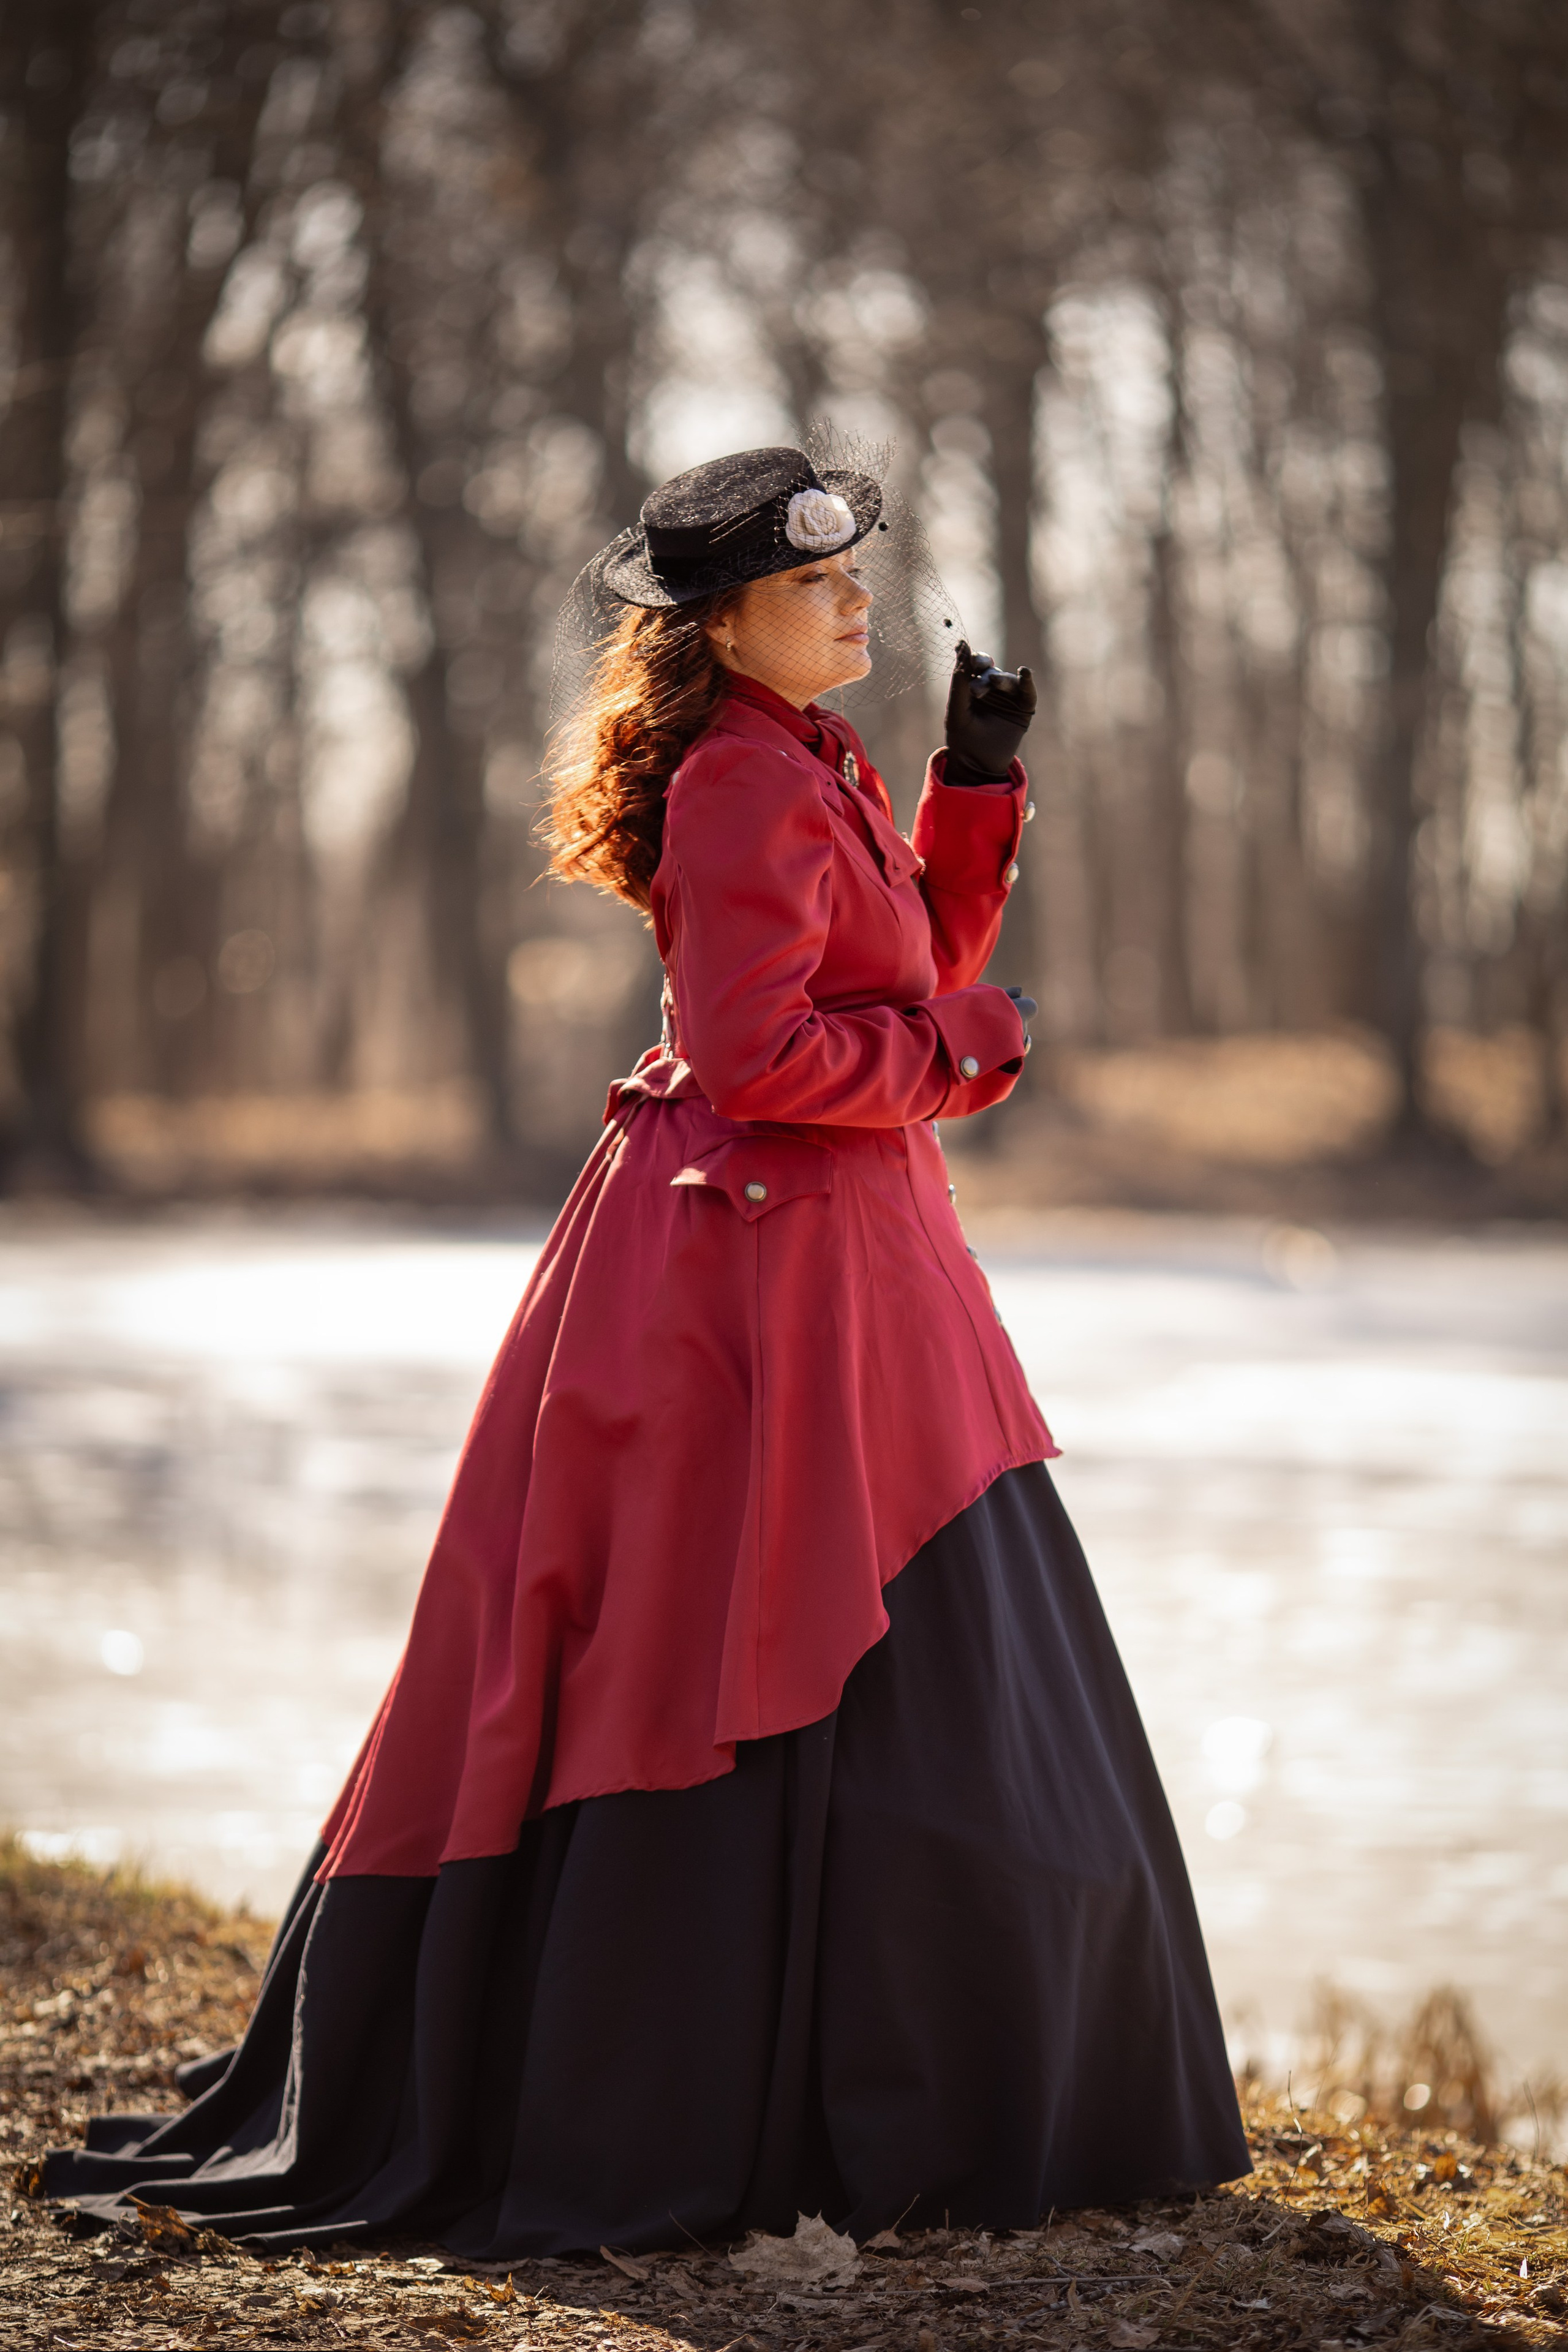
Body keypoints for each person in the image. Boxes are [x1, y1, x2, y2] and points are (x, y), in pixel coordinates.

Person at [45, 442, 1249, 2255]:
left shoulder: (810, 758)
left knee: (923, 1645)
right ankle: (776, 2090)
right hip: (752, 1282)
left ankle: (940, 2084)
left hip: (848, 1261)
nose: (860, 606)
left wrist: (974, 791)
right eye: (819, 587)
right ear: (726, 624)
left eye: (860, 582)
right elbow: (772, 1057)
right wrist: (975, 1053)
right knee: (740, 1637)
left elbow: (898, 962)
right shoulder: (735, 787)